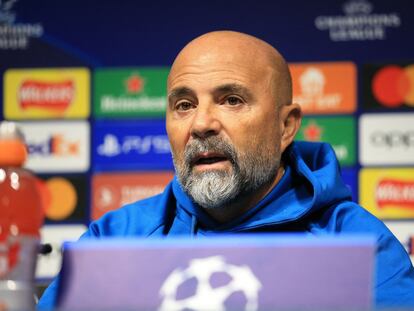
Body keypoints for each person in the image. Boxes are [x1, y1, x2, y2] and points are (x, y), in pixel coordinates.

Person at [38, 31, 414, 309]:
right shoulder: (113, 242)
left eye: (231, 100)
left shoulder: (359, 247)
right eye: (184, 105)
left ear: (286, 127)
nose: (201, 123)